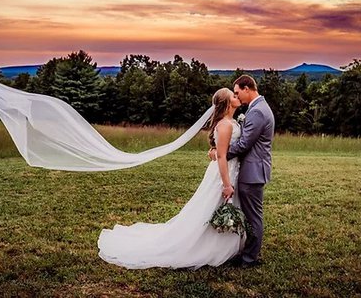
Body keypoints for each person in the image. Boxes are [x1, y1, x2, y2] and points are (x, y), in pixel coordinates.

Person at [97, 88, 245, 269]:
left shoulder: (231, 122)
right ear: (227, 103)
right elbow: (222, 156)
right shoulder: (225, 125)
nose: (237, 97)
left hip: (231, 169)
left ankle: (225, 243)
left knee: (216, 207)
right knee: (210, 207)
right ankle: (204, 246)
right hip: (223, 173)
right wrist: (226, 184)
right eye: (233, 95)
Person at [210, 75, 274, 268]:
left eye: (237, 92)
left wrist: (220, 153)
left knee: (253, 216)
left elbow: (244, 143)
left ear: (247, 88)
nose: (236, 96)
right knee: (250, 214)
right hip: (250, 169)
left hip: (252, 171)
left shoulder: (257, 112)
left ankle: (249, 259)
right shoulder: (257, 108)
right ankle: (245, 252)